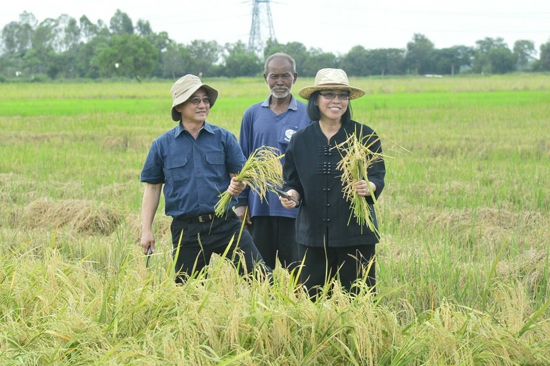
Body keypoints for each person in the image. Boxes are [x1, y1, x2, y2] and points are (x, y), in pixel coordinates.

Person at [140, 74, 267, 283]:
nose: (203, 105)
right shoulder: (162, 145)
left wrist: (238, 186)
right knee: (188, 291)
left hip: (225, 223)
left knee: (261, 278)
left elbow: (240, 177)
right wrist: (146, 230)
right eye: (195, 100)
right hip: (186, 230)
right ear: (179, 107)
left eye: (206, 100)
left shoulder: (224, 138)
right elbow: (153, 189)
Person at [279, 68, 386, 298]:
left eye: (342, 95)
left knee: (360, 300)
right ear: (316, 100)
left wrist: (371, 187)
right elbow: (293, 182)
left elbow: (377, 175)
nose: (336, 100)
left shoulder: (364, 136)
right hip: (312, 237)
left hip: (355, 234)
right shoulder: (300, 140)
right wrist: (292, 196)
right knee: (312, 301)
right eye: (328, 94)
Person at [235, 53, 311, 271]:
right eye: (274, 76)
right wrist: (241, 203)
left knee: (301, 273)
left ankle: (298, 307)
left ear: (294, 77)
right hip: (259, 209)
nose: (279, 82)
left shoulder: (308, 114)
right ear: (265, 78)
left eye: (285, 76)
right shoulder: (252, 114)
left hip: (295, 208)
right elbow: (243, 161)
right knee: (256, 274)